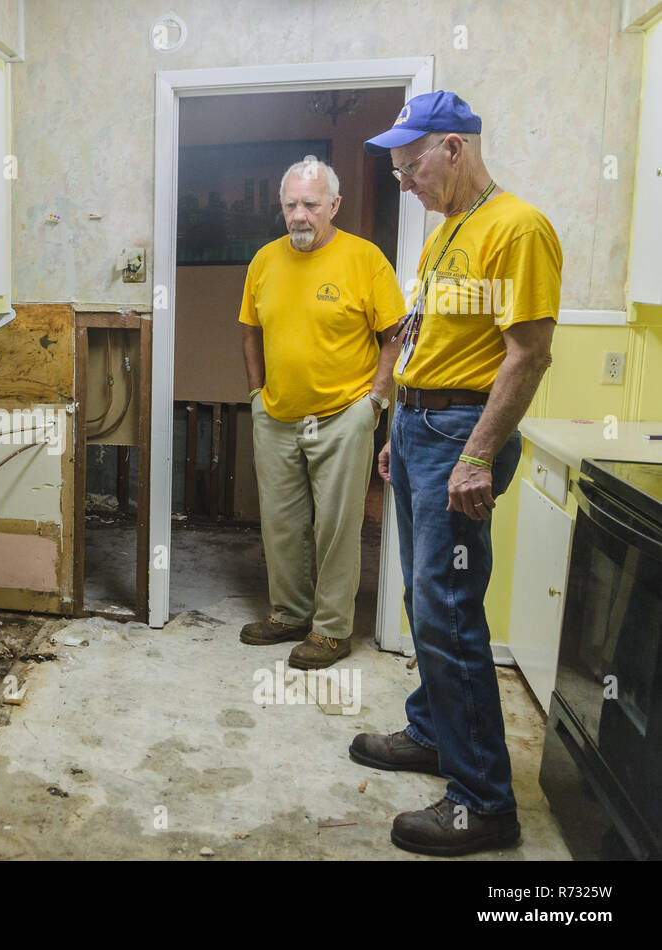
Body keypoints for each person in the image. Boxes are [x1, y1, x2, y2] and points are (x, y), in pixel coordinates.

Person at [355, 91, 561, 856]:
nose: (404, 181)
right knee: (422, 594)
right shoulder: (448, 232)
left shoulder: (517, 228)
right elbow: (429, 332)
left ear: (454, 147)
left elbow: (528, 352)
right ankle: (433, 732)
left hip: (459, 434)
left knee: (447, 606)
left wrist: (474, 453)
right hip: (420, 425)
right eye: (398, 169)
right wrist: (399, 425)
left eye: (412, 166)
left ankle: (483, 802)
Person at [238, 156, 403, 670]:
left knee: (336, 526)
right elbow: (250, 332)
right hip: (278, 415)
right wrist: (256, 396)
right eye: (290, 204)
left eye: (311, 203)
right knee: (282, 523)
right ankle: (288, 614)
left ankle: (332, 631)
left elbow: (395, 335)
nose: (299, 215)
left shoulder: (365, 258)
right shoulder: (264, 260)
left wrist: (374, 401)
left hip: (343, 415)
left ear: (334, 204)